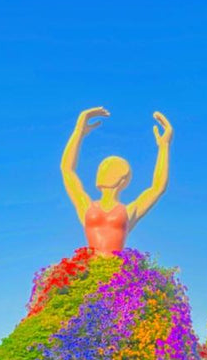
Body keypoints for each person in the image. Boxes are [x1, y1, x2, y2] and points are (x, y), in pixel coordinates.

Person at [60, 107, 173, 255]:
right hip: (91, 272)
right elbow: (67, 169)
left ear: (123, 180)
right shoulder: (86, 206)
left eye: (109, 170)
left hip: (116, 274)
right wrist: (78, 131)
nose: (101, 173)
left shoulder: (128, 212)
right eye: (101, 169)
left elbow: (158, 187)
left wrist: (164, 146)